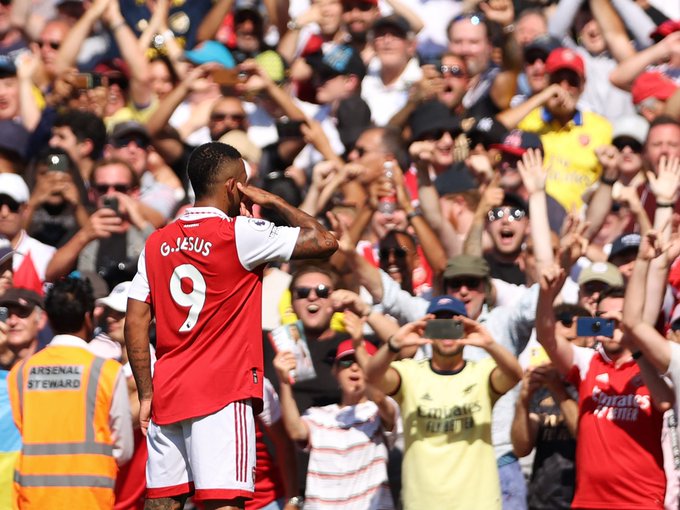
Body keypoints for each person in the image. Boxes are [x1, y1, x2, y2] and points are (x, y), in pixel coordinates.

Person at [125, 142, 337, 510]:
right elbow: (325, 241)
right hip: (222, 392)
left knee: (162, 501)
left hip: (169, 390)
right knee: (225, 501)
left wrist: (146, 393)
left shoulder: (157, 241)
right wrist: (271, 201)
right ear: (232, 186)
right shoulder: (240, 233)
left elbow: (135, 321)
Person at [361, 295, 523, 509]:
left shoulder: (482, 372)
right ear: (427, 330)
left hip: (478, 503)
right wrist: (394, 344)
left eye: (454, 325)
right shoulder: (410, 373)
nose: (447, 333)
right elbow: (371, 377)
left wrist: (490, 344)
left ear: (465, 329)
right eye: (439, 325)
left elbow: (515, 375)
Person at [536, 264, 668, 509]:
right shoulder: (588, 361)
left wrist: (635, 344)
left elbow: (666, 401)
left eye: (619, 318)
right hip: (588, 501)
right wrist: (546, 294)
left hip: (642, 501)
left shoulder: (655, 364)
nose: (611, 325)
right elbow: (546, 337)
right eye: (603, 318)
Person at [7, 276, 134, 509]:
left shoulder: (20, 373)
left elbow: (25, 431)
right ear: (88, 317)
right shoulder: (106, 371)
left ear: (48, 319)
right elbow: (123, 449)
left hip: (33, 499)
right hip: (89, 498)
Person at [274, 336, 397, 509]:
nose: (354, 367)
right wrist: (284, 382)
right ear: (335, 371)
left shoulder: (378, 410)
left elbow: (381, 401)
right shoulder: (318, 414)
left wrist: (372, 375)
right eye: (346, 362)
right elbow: (296, 432)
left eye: (362, 363)